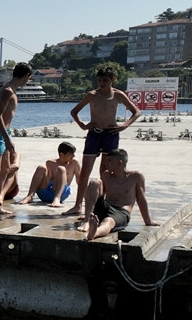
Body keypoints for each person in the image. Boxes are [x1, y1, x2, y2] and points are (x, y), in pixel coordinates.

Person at [63, 65, 141, 216]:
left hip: (110, 134)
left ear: (112, 80)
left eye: (105, 80)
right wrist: (83, 125)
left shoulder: (118, 95)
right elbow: (74, 111)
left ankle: (101, 205)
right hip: (94, 133)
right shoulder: (92, 95)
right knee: (85, 171)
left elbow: (136, 112)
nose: (101, 83)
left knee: (105, 171)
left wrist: (124, 125)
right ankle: (78, 205)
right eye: (99, 80)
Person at [0, 63, 33, 221]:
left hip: (4, 132)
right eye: (28, 78)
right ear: (26, 76)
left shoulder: (8, 89)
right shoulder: (7, 91)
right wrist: (5, 137)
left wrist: (6, 133)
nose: (27, 81)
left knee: (5, 170)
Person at [75, 148, 158, 240]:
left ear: (119, 163)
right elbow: (98, 193)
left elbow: (141, 199)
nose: (106, 163)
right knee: (94, 182)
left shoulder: (136, 176)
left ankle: (94, 233)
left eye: (109, 161)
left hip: (120, 212)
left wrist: (148, 221)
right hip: (105, 207)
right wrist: (90, 212)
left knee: (108, 221)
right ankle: (87, 221)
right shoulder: (106, 175)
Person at [17, 142, 79, 207]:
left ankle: (57, 199)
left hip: (61, 193)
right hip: (45, 193)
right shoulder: (50, 163)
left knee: (61, 169)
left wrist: (83, 197)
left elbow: (79, 180)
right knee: (41, 167)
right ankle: (30, 196)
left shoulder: (74, 163)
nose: (73, 156)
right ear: (62, 154)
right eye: (71, 154)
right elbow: (47, 180)